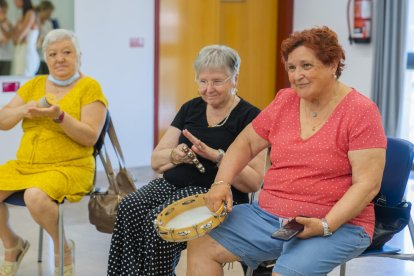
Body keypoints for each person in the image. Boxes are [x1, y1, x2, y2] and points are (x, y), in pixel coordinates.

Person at [186, 26, 387, 276]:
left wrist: (325, 225)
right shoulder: (285, 100)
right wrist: (221, 183)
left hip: (339, 224)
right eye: (292, 68)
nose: (297, 75)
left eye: (306, 66)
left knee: (286, 272)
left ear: (333, 64)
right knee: (201, 242)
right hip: (268, 216)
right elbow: (245, 143)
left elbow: (367, 185)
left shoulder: (361, 112)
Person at [107, 45, 266, 275]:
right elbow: (156, 160)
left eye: (217, 81)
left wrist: (217, 156)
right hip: (172, 185)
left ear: (235, 78)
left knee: (158, 222)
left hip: (212, 193)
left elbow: (253, 182)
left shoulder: (251, 116)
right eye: (202, 81)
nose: (208, 89)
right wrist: (175, 154)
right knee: (129, 208)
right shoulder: (191, 108)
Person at [0, 29, 108, 276]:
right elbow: (3, 120)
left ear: (79, 56)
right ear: (45, 58)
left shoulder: (90, 87)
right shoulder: (34, 85)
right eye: (53, 54)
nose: (60, 59)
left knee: (35, 196)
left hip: (70, 165)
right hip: (25, 165)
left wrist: (59, 116)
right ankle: (12, 244)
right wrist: (22, 110)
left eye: (67, 52)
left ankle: (63, 249)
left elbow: (90, 136)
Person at [11, 0, 40, 76]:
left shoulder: (30, 13)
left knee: (24, 79)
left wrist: (16, 32)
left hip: (27, 54)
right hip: (21, 52)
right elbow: (15, 40)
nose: (13, 1)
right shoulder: (23, 15)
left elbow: (18, 38)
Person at [0, 0, 13, 75]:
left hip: (6, 57)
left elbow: (9, 36)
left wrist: (1, 24)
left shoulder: (9, 21)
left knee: (5, 83)